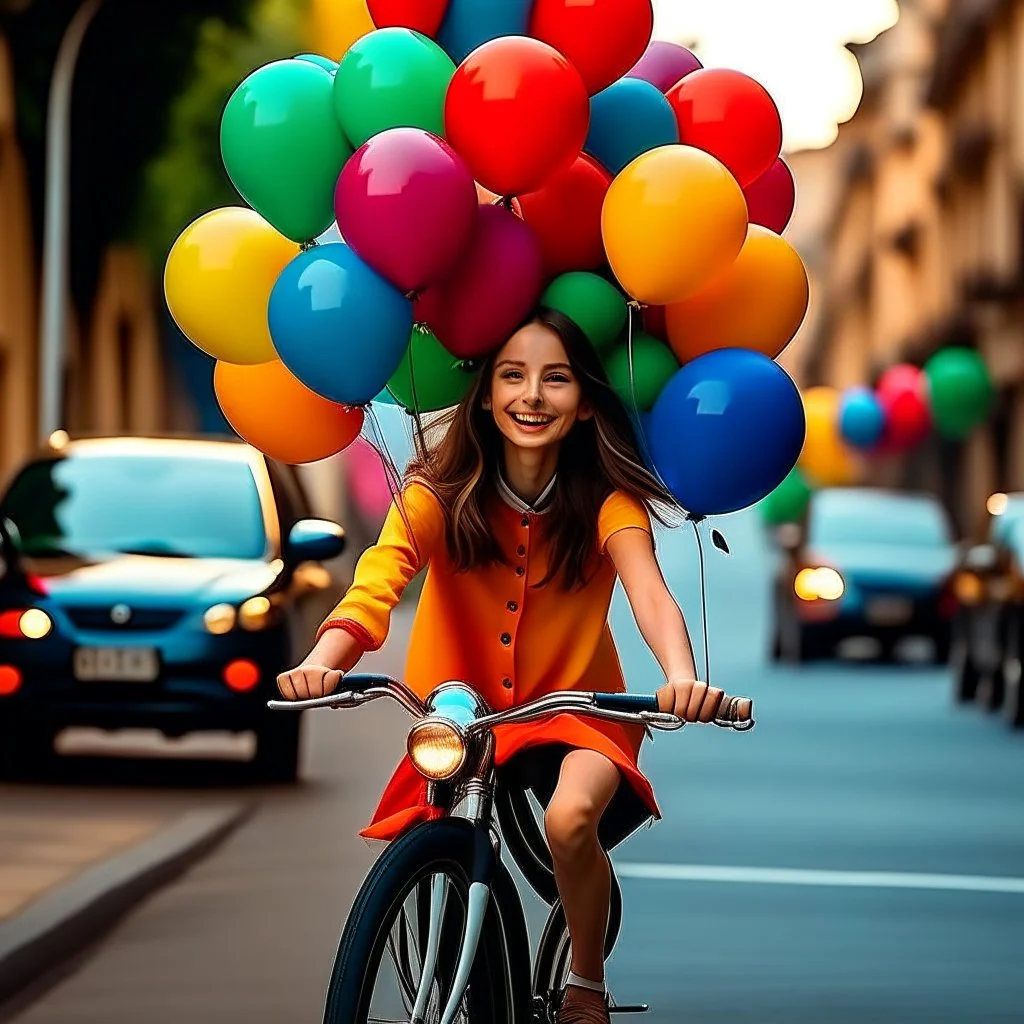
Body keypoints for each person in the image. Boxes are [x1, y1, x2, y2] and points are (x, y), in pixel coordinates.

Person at [276, 307, 725, 1024]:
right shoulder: (433, 492)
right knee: (435, 807)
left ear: (584, 406)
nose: (532, 395)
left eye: (556, 379)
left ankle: (586, 980)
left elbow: (648, 592)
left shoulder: (611, 502)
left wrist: (681, 674)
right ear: (484, 395)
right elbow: (376, 583)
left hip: (582, 711)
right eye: (512, 376)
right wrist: (322, 662)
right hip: (460, 709)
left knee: (572, 819)